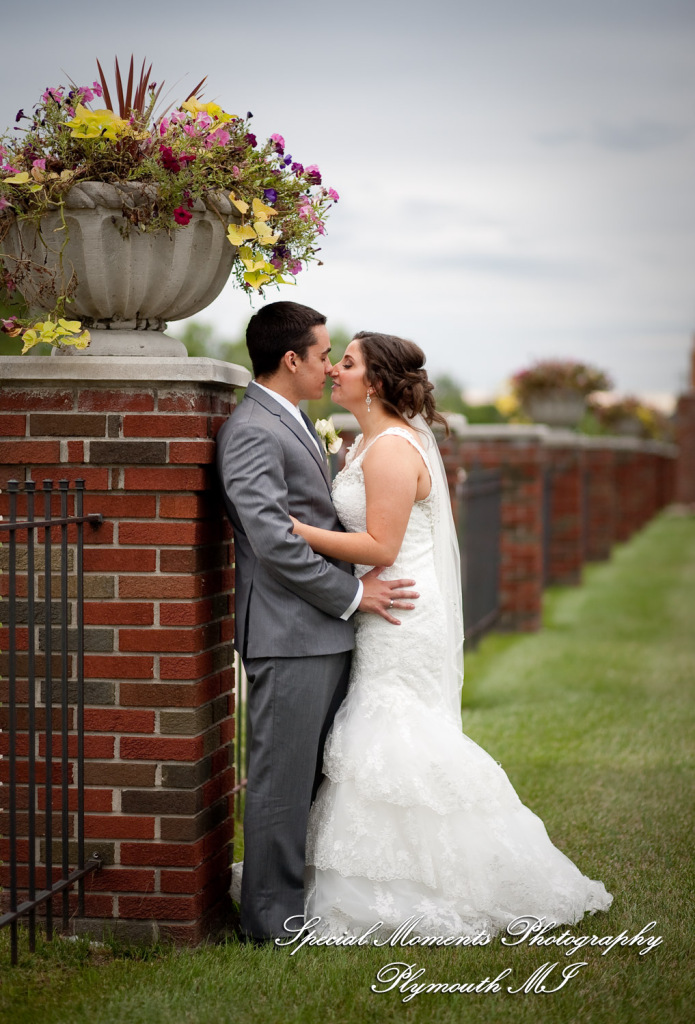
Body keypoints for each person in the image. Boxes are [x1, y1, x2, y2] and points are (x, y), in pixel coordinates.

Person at [289, 331, 613, 939]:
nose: (334, 370)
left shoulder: (390, 449)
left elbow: (381, 546)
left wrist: (295, 531)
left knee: (393, 728)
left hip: (399, 609)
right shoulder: (365, 443)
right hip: (382, 603)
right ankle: (381, 873)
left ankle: (425, 884)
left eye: (347, 363)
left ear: (375, 382)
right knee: (382, 727)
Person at [215, 302, 419, 943]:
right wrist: (353, 594)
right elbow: (274, 540)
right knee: (281, 783)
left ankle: (298, 899)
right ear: (291, 359)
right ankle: (271, 922)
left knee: (311, 780)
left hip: (318, 630)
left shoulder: (294, 419)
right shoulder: (253, 428)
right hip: (289, 635)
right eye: (325, 354)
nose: (331, 366)